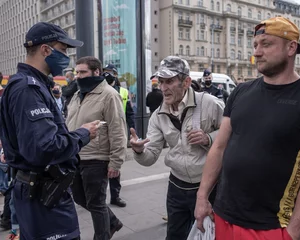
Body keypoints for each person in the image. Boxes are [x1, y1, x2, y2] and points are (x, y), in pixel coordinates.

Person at [195, 17, 300, 240]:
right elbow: (219, 147)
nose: (257, 52)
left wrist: (292, 233)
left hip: (270, 227)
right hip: (222, 215)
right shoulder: (241, 92)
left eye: (266, 44)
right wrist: (202, 197)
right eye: (255, 45)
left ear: (291, 48)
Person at [0, 22, 100, 240]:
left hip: (41, 191)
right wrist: (83, 134)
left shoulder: (31, 85)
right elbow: (44, 148)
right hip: (43, 194)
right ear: (46, 50)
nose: (66, 57)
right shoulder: (28, 89)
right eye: (63, 50)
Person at [130, 56, 225, 240]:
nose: (163, 88)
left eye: (170, 81)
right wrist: (139, 150)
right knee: (174, 235)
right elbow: (150, 157)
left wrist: (208, 138)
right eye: (161, 82)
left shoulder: (209, 103)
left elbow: (233, 133)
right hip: (177, 186)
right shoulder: (158, 115)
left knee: (211, 235)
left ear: (186, 82)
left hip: (210, 185)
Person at [66, 56, 127, 239]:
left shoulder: (109, 95)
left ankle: (103, 235)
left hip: (97, 157)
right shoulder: (77, 94)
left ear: (96, 72)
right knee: (79, 197)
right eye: (77, 72)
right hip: (76, 155)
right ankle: (113, 222)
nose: (78, 76)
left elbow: (118, 129)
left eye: (83, 72)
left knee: (96, 204)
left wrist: (116, 162)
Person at [103, 64, 135, 207]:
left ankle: (115, 196)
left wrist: (132, 129)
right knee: (100, 166)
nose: (107, 75)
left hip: (117, 131)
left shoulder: (123, 91)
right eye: (105, 72)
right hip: (102, 132)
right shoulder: (98, 90)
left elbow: (129, 113)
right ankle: (99, 197)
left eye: (110, 72)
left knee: (115, 165)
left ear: (115, 74)